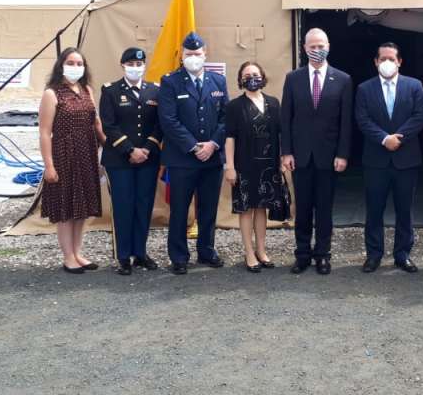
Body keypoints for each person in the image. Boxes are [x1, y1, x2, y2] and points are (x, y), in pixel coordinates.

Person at [280, 28, 353, 275]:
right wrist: (286, 152)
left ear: (329, 46)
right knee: (302, 208)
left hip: (328, 156)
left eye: (321, 45)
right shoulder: (293, 79)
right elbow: (286, 118)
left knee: (324, 209)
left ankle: (323, 254)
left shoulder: (342, 79)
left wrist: (343, 154)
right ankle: (302, 255)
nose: (317, 50)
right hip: (300, 156)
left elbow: (346, 122)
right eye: (312, 46)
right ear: (304, 48)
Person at [158, 32, 228, 274]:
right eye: (189, 54)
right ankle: (179, 256)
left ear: (205, 54)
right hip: (182, 159)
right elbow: (168, 120)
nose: (194, 58)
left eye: (198, 54)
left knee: (208, 208)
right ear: (182, 56)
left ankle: (206, 251)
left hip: (213, 157)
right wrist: (195, 146)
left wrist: (212, 145)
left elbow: (225, 118)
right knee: (179, 208)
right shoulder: (170, 82)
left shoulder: (218, 81)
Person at [355, 42, 423, 273]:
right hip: (376, 159)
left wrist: (400, 138)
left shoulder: (414, 86)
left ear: (399, 62)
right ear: (376, 62)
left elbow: (420, 117)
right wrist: (385, 139)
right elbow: (362, 119)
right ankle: (374, 254)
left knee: (404, 210)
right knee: (374, 209)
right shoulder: (364, 89)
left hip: (406, 159)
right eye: (382, 59)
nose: (387, 63)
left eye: (391, 59)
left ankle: (402, 254)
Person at [38, 47, 106, 274]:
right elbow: (45, 132)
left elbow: (96, 123)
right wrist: (49, 165)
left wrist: (111, 147)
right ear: (61, 65)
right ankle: (68, 256)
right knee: (66, 208)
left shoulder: (87, 90)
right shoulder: (52, 93)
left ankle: (78, 252)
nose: (75, 67)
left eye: (79, 63)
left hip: (86, 153)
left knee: (82, 207)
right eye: (71, 62)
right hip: (63, 154)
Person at [99, 47, 162, 276]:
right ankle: (123, 256)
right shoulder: (111, 91)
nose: (136, 68)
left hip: (148, 158)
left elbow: (159, 124)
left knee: (143, 206)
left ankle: (141, 253)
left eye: (139, 64)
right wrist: (130, 150)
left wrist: (146, 149)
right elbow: (109, 125)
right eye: (131, 64)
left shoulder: (155, 91)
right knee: (124, 206)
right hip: (119, 160)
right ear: (123, 65)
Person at [224, 61, 290, 273]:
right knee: (246, 209)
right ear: (241, 80)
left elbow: (280, 134)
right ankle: (249, 252)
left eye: (255, 73)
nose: (252, 77)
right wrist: (230, 166)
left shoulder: (273, 102)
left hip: (268, 165)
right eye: (247, 75)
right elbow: (230, 138)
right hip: (244, 165)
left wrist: (281, 159)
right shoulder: (234, 106)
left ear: (262, 76)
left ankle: (261, 250)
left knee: (262, 207)